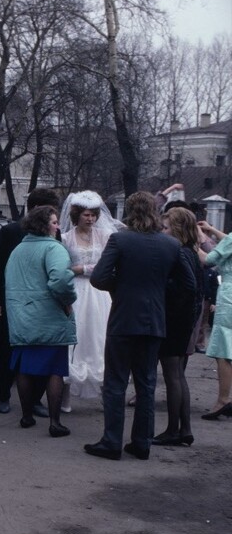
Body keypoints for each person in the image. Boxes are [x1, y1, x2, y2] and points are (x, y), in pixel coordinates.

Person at [86, 192, 196, 461]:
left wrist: (120, 288)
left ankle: (112, 442)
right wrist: (159, 294)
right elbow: (189, 285)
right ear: (154, 212)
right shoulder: (170, 244)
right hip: (154, 320)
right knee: (146, 384)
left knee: (115, 382)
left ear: (130, 212)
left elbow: (98, 278)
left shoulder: (120, 239)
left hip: (124, 318)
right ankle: (142, 443)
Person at [4, 205, 76, 437]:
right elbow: (61, 280)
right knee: (55, 370)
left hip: (22, 317)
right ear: (44, 226)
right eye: (54, 222)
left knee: (24, 368)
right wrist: (68, 301)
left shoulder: (18, 250)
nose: (58, 227)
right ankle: (55, 422)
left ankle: (26, 416)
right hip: (49, 316)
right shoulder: (54, 248)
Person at [0, 188, 61, 414]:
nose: (54, 216)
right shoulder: (11, 231)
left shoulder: (54, 232)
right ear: (36, 208)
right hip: (14, 301)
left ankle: (35, 401)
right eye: (50, 210)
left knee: (40, 351)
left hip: (43, 303)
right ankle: (3, 396)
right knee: (9, 349)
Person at [58, 190, 124, 411]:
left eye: (93, 215)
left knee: (99, 338)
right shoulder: (66, 238)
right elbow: (64, 268)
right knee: (75, 339)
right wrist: (82, 269)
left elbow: (111, 264)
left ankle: (107, 395)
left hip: (99, 293)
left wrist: (91, 269)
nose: (90, 219)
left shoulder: (105, 236)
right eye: (86, 215)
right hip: (77, 291)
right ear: (76, 215)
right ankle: (65, 397)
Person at [153, 207, 203, 445]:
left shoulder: (180, 253)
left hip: (175, 320)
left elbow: (187, 288)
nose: (162, 232)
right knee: (179, 375)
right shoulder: (191, 251)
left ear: (177, 229)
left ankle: (174, 429)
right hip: (185, 320)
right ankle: (185, 429)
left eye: (165, 227)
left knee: (172, 375)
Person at [197, 218, 232, 421]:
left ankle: (223, 399)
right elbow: (229, 240)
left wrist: (191, 242)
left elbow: (208, 260)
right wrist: (212, 230)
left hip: (229, 296)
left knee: (223, 350)